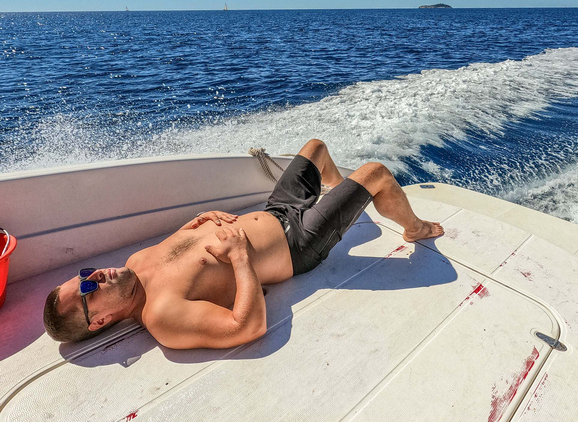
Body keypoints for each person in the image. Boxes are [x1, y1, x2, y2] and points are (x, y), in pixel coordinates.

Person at [43, 139, 444, 350]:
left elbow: (186, 247)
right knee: (375, 173)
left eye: (83, 275)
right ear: (99, 322)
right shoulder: (162, 317)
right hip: (297, 244)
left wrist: (199, 220)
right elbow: (248, 327)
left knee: (316, 148)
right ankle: (415, 228)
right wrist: (239, 258)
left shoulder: (134, 262)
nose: (93, 275)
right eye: (88, 289)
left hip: (277, 210)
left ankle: (342, 198)